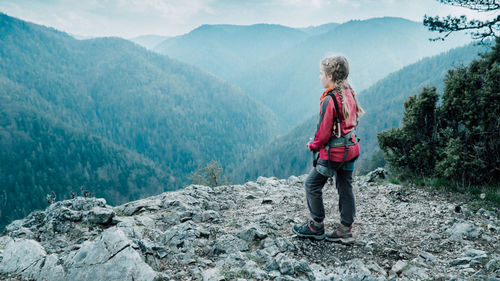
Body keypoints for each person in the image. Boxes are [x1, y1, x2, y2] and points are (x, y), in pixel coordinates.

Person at [291, 55, 365, 241]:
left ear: (330, 76)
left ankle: (316, 225)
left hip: (334, 153)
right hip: (351, 148)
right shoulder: (349, 91)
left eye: (321, 74)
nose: (319, 77)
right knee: (345, 186)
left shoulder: (329, 99)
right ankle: (345, 229)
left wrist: (313, 145)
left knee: (312, 184)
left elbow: (324, 132)